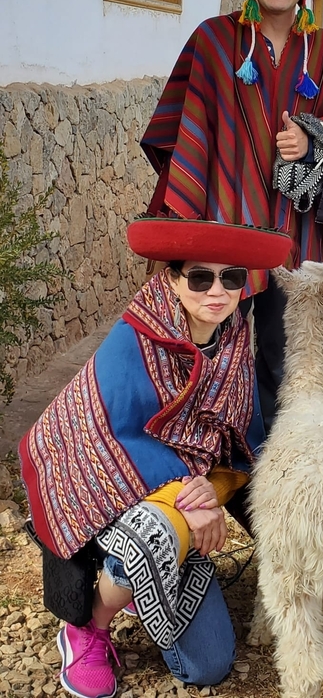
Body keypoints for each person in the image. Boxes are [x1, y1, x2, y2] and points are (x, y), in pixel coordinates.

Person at [19, 218, 292, 698]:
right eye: (200, 276)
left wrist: (218, 487)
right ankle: (88, 628)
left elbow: (238, 442)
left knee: (208, 666)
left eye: (231, 277)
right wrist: (196, 500)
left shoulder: (231, 344)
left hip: (177, 502)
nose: (217, 290)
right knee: (155, 535)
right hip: (97, 489)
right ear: (171, 279)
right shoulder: (134, 338)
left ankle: (136, 581)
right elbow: (114, 439)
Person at [141, 0, 323, 432]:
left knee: (288, 354)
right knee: (211, 348)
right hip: (221, 225)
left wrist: (315, 133)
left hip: (294, 235)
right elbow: (182, 128)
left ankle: (275, 458)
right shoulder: (214, 40)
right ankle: (205, 453)